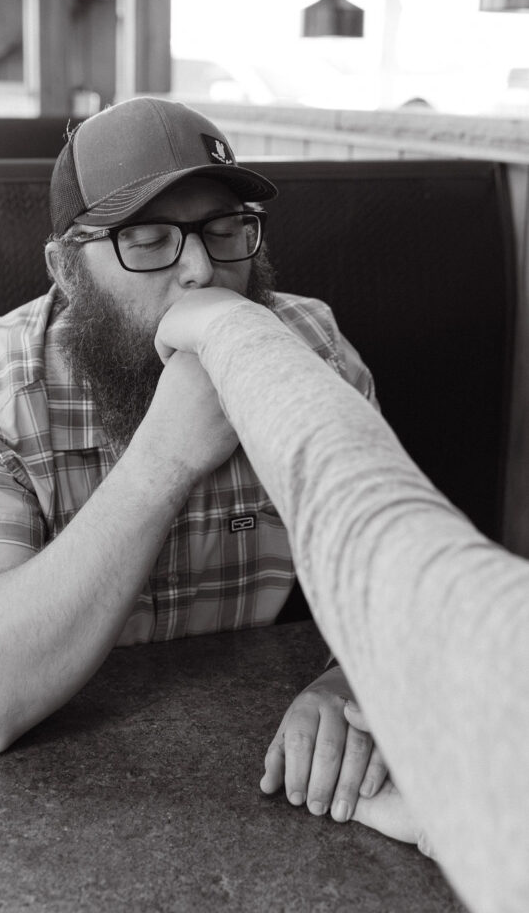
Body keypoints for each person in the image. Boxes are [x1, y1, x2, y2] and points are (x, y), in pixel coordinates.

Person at [0, 96, 385, 822]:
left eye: (225, 231)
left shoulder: (307, 349)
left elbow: (383, 576)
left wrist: (348, 683)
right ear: (66, 271)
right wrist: (164, 459)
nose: (200, 270)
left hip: (228, 743)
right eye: (149, 239)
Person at [154, 287, 529, 913]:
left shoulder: (314, 335)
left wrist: (229, 327)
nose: (197, 268)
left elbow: (382, 545)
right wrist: (456, 816)